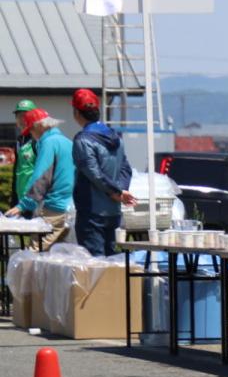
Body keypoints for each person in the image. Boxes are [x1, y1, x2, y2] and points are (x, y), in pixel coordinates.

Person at [70, 89, 136, 256]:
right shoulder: (116, 137)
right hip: (113, 210)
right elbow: (125, 168)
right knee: (111, 260)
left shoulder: (83, 139)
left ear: (76, 112)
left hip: (92, 211)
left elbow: (93, 172)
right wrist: (121, 191)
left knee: (94, 263)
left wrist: (115, 191)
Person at [5, 109, 76, 249]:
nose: (31, 134)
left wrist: (23, 205)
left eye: (30, 130)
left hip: (53, 208)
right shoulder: (68, 142)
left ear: (38, 126)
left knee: (33, 253)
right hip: (71, 208)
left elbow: (41, 177)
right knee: (60, 255)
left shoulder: (48, 143)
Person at [9, 99, 37, 208]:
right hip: (20, 198)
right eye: (18, 116)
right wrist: (14, 199)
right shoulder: (19, 140)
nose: (21, 120)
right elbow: (17, 170)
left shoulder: (38, 140)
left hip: (35, 199)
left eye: (25, 116)